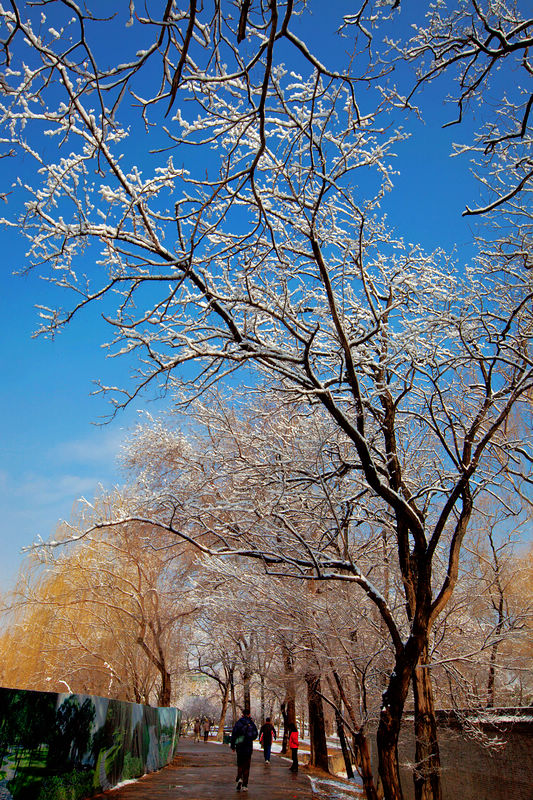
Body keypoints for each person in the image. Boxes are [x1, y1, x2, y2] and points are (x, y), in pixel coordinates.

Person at [230, 707, 258, 792]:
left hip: (240, 746)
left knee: (240, 764)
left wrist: (233, 746)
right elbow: (255, 734)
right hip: (248, 747)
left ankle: (239, 778)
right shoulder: (251, 723)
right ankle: (245, 785)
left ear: (242, 714)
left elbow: (234, 734)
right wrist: (249, 738)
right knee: (247, 766)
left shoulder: (239, 723)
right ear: (249, 714)